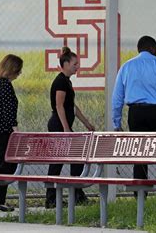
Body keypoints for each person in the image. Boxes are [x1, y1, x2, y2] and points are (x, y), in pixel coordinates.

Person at [112, 35, 156, 196]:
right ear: (152, 48)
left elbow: (117, 98)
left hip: (136, 113)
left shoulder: (126, 67)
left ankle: (140, 194)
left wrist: (117, 122)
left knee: (140, 155)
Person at [45, 47, 95, 209]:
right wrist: (66, 129)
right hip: (58, 125)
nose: (77, 66)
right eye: (75, 63)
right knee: (57, 161)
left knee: (76, 158)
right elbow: (59, 106)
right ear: (65, 64)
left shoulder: (67, 81)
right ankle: (51, 198)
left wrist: (87, 124)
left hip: (64, 125)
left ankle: (76, 192)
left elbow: (71, 107)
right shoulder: (60, 81)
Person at [0, 54, 23, 212]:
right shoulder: (6, 86)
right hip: (5, 131)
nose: (19, 74)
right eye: (18, 70)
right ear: (12, 69)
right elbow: (8, 111)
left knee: (4, 164)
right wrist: (14, 128)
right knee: (8, 166)